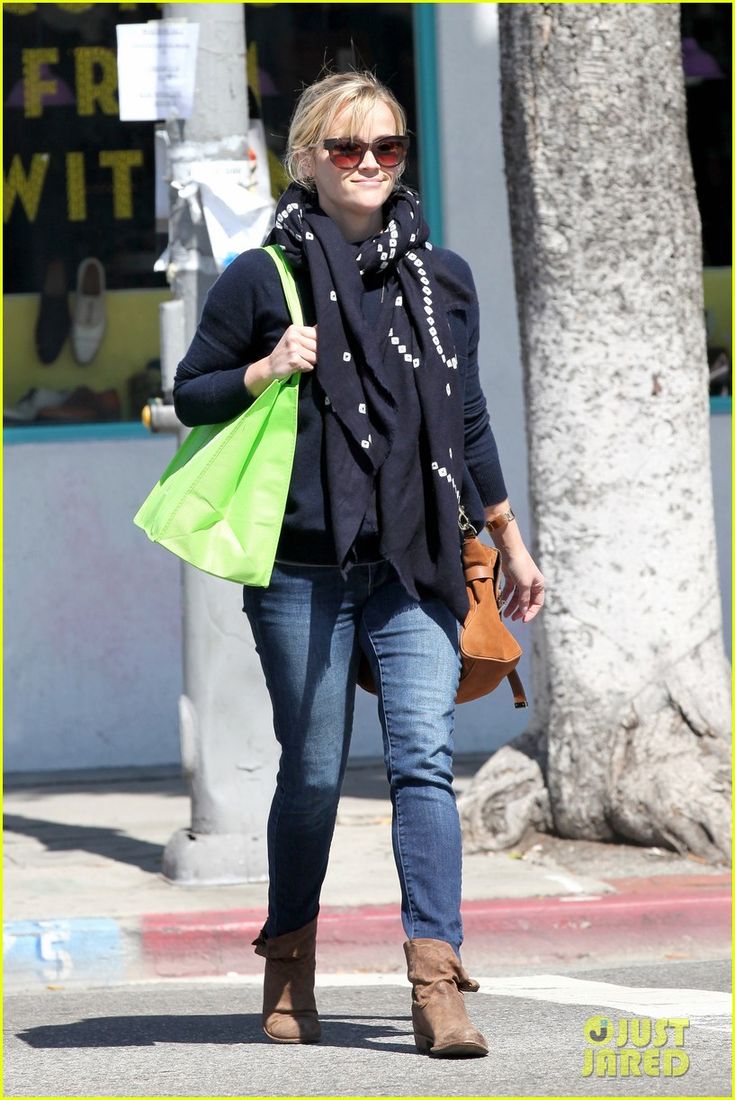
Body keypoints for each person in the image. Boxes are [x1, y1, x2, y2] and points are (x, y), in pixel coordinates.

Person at [173, 70, 545, 1058]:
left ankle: (435, 981)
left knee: (423, 756)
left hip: (416, 557)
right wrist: (263, 366)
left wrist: (506, 535)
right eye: (348, 148)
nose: (371, 164)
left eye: (387, 147)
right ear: (307, 158)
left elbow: (464, 417)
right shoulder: (264, 277)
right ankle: (289, 957)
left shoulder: (440, 276)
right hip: (302, 568)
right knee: (314, 772)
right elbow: (193, 389)